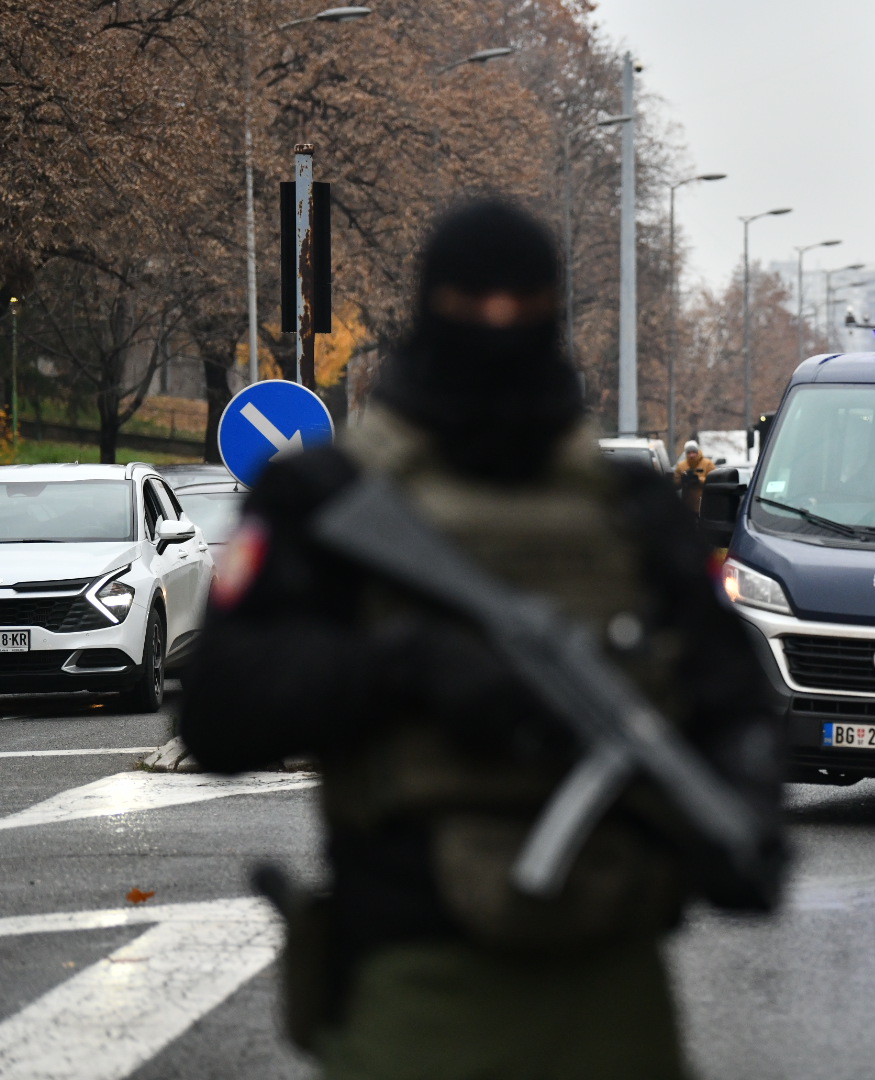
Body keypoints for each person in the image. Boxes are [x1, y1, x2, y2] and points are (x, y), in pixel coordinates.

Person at [180, 199, 783, 1080]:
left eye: (522, 306)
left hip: (611, 985)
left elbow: (733, 699)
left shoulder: (630, 513)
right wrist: (409, 668)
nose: (498, 329)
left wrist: (744, 812)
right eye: (475, 304)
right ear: (433, 310)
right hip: (416, 973)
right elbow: (220, 711)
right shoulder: (327, 499)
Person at [673, 440, 716, 513]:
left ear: (698, 452)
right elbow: (675, 484)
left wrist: (698, 479)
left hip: (704, 502)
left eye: (693, 452)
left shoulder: (708, 464)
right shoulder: (681, 466)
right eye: (689, 453)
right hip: (687, 504)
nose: (691, 455)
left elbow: (714, 482)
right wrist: (683, 479)